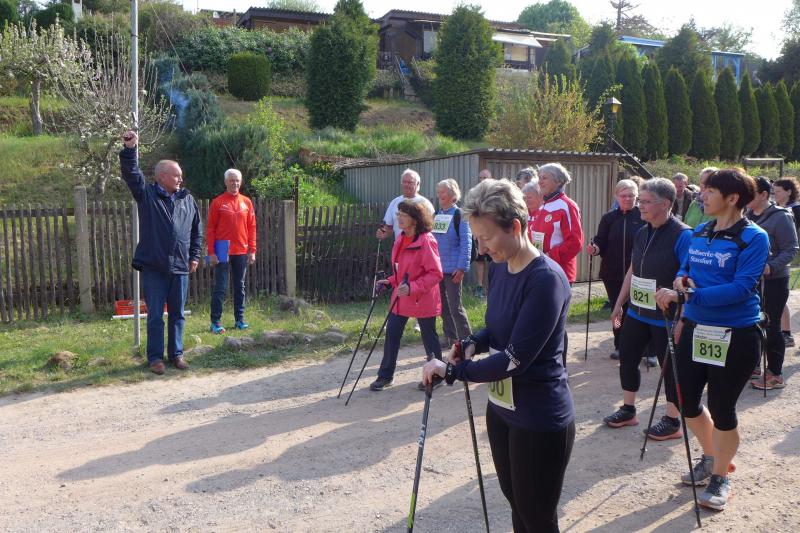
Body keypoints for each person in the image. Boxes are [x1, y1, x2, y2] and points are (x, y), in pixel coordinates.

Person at [422, 178, 574, 532]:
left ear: (515, 227)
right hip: (503, 410)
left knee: (537, 517)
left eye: (487, 238)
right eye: (477, 238)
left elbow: (514, 358)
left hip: (539, 416)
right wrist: (471, 343)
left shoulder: (546, 280)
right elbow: (497, 328)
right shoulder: (502, 267)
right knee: (517, 506)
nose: (482, 248)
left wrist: (453, 372)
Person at [655, 169, 769, 511]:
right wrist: (680, 280)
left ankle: (720, 476)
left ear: (732, 198)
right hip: (695, 327)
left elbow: (741, 287)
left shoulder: (754, 237)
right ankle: (712, 456)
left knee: (722, 407)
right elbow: (685, 268)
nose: (701, 196)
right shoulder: (700, 231)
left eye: (709, 191)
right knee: (685, 400)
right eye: (703, 190)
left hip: (736, 333)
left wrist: (687, 296)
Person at [603, 178, 691, 441]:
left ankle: (672, 420)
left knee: (670, 368)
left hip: (666, 316)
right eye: (639, 200)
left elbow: (689, 279)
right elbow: (633, 269)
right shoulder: (642, 231)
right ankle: (628, 409)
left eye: (646, 201)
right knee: (628, 358)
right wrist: (619, 303)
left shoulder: (684, 235)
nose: (639, 205)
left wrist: (683, 319)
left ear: (665, 203)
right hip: (637, 312)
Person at [119, 131, 201, 375]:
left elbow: (197, 230)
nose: (181, 179)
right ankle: (155, 358)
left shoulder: (187, 199)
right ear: (162, 176)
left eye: (181, 176)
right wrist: (130, 150)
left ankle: (176, 354)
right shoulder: (147, 195)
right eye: (176, 175)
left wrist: (195, 256)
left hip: (180, 266)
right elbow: (132, 175)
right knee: (155, 315)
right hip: (154, 266)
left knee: (178, 314)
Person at [370, 200, 444, 391]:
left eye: (403, 215)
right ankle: (385, 376)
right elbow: (401, 272)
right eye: (398, 214)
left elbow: (436, 274)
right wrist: (389, 282)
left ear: (415, 219)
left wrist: (413, 287)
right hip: (402, 296)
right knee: (392, 333)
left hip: (422, 297)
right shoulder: (400, 239)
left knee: (429, 337)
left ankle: (437, 376)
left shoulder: (427, 240)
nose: (399, 218)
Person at [745, 177, 798, 389]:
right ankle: (754, 365)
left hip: (775, 280)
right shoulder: (747, 215)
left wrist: (771, 266)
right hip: (751, 279)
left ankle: (775, 374)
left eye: (750, 193)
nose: (745, 197)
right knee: (751, 322)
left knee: (771, 324)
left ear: (764, 195)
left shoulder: (781, 216)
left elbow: (791, 249)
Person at [586, 179, 643, 360]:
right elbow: (600, 241)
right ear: (616, 196)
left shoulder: (643, 216)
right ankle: (619, 344)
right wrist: (594, 248)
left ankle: (647, 350)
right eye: (623, 195)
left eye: (631, 195)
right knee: (618, 310)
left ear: (637, 196)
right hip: (612, 273)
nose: (627, 199)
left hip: (639, 274)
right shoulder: (608, 218)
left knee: (641, 310)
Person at [207, 169, 257, 334]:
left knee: (239, 286)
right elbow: (210, 228)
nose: (235, 183)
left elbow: (252, 227)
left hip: (241, 249)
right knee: (220, 286)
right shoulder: (217, 202)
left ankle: (239, 320)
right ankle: (215, 322)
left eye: (237, 180)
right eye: (232, 180)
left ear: (240, 182)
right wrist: (211, 252)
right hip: (222, 249)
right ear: (226, 182)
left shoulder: (246, 202)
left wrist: (252, 250)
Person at [433, 179, 472, 348]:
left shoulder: (459, 215)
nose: (440, 195)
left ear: (453, 195)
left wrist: (461, 267)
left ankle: (468, 341)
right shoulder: (437, 215)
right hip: (438, 269)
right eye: (439, 192)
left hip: (453, 269)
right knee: (443, 307)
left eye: (443, 192)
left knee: (456, 307)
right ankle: (450, 338)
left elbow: (466, 242)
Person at [531, 163, 584, 284]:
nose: (539, 182)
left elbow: (575, 243)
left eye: (544, 178)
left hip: (559, 272)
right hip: (541, 268)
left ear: (558, 181)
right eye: (539, 178)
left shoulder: (567, 206)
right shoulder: (542, 206)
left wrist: (549, 256)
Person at [772, 176, 800, 347]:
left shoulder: (796, 209)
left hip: (786, 257)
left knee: (780, 298)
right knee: (779, 299)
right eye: (773, 191)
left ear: (789, 192)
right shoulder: (775, 210)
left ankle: (787, 333)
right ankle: (784, 332)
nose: (774, 194)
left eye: (778, 191)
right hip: (779, 258)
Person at [376, 168, 435, 241]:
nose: (406, 184)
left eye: (409, 182)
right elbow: (389, 227)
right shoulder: (395, 202)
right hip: (400, 245)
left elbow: (431, 228)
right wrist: (384, 233)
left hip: (419, 246)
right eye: (404, 182)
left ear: (417, 184)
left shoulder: (425, 203)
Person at [473, 169, 493, 298]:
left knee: (494, 260)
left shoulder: (495, 193)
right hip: (479, 232)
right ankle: (479, 287)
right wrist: (474, 230)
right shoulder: (475, 194)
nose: (483, 179)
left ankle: (492, 286)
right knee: (480, 260)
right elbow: (472, 213)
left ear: (491, 178)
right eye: (481, 177)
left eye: (485, 177)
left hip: (492, 232)